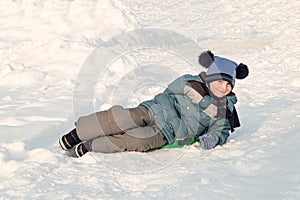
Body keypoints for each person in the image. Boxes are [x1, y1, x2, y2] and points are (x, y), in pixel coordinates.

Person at [59, 51, 249, 157]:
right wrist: (199, 97)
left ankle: (91, 146)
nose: (224, 88)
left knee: (137, 140)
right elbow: (173, 88)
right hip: (153, 109)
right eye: (219, 82)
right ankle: (78, 133)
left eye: (228, 85)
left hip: (168, 132)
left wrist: (214, 138)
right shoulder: (191, 83)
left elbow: (221, 129)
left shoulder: (224, 109)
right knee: (121, 118)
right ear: (209, 78)